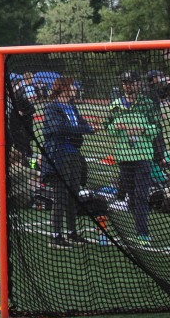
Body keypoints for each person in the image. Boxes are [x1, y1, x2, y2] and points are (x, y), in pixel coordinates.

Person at [106, 71, 160, 246]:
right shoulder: (116, 105)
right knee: (131, 195)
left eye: (131, 82)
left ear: (138, 84)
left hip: (143, 155)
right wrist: (117, 127)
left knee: (141, 194)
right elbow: (108, 128)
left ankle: (142, 232)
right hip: (124, 156)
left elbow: (157, 128)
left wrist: (143, 130)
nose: (127, 86)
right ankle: (137, 226)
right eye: (125, 82)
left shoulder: (147, 104)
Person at [42, 77, 95, 248]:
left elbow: (82, 124)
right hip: (59, 155)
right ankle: (56, 236)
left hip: (74, 154)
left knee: (74, 193)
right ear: (64, 88)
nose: (75, 88)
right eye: (72, 86)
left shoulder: (72, 106)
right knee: (61, 196)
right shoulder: (52, 107)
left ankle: (72, 233)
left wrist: (87, 127)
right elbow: (60, 127)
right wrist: (84, 129)